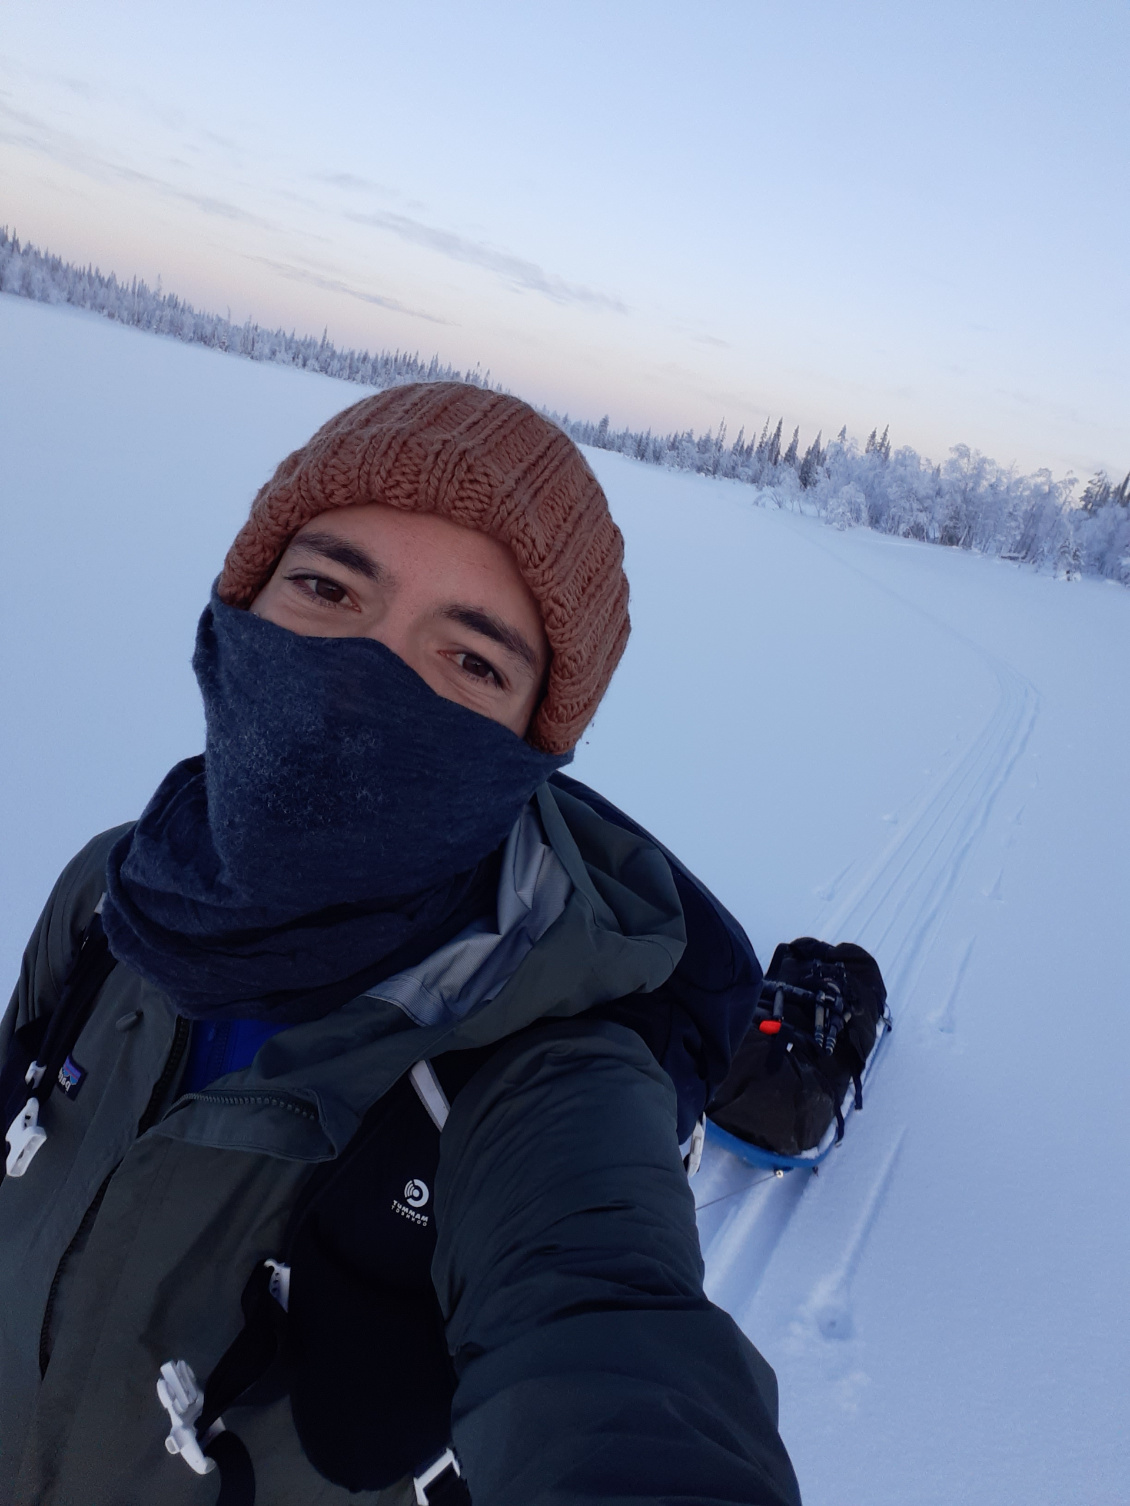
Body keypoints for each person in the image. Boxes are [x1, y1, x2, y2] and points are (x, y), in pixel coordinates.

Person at [0, 383, 802, 1506]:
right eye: (327, 588)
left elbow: (603, 1331)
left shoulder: (545, 1067)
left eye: (472, 662)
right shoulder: (107, 893)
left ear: (532, 744)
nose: (365, 684)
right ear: (242, 602)